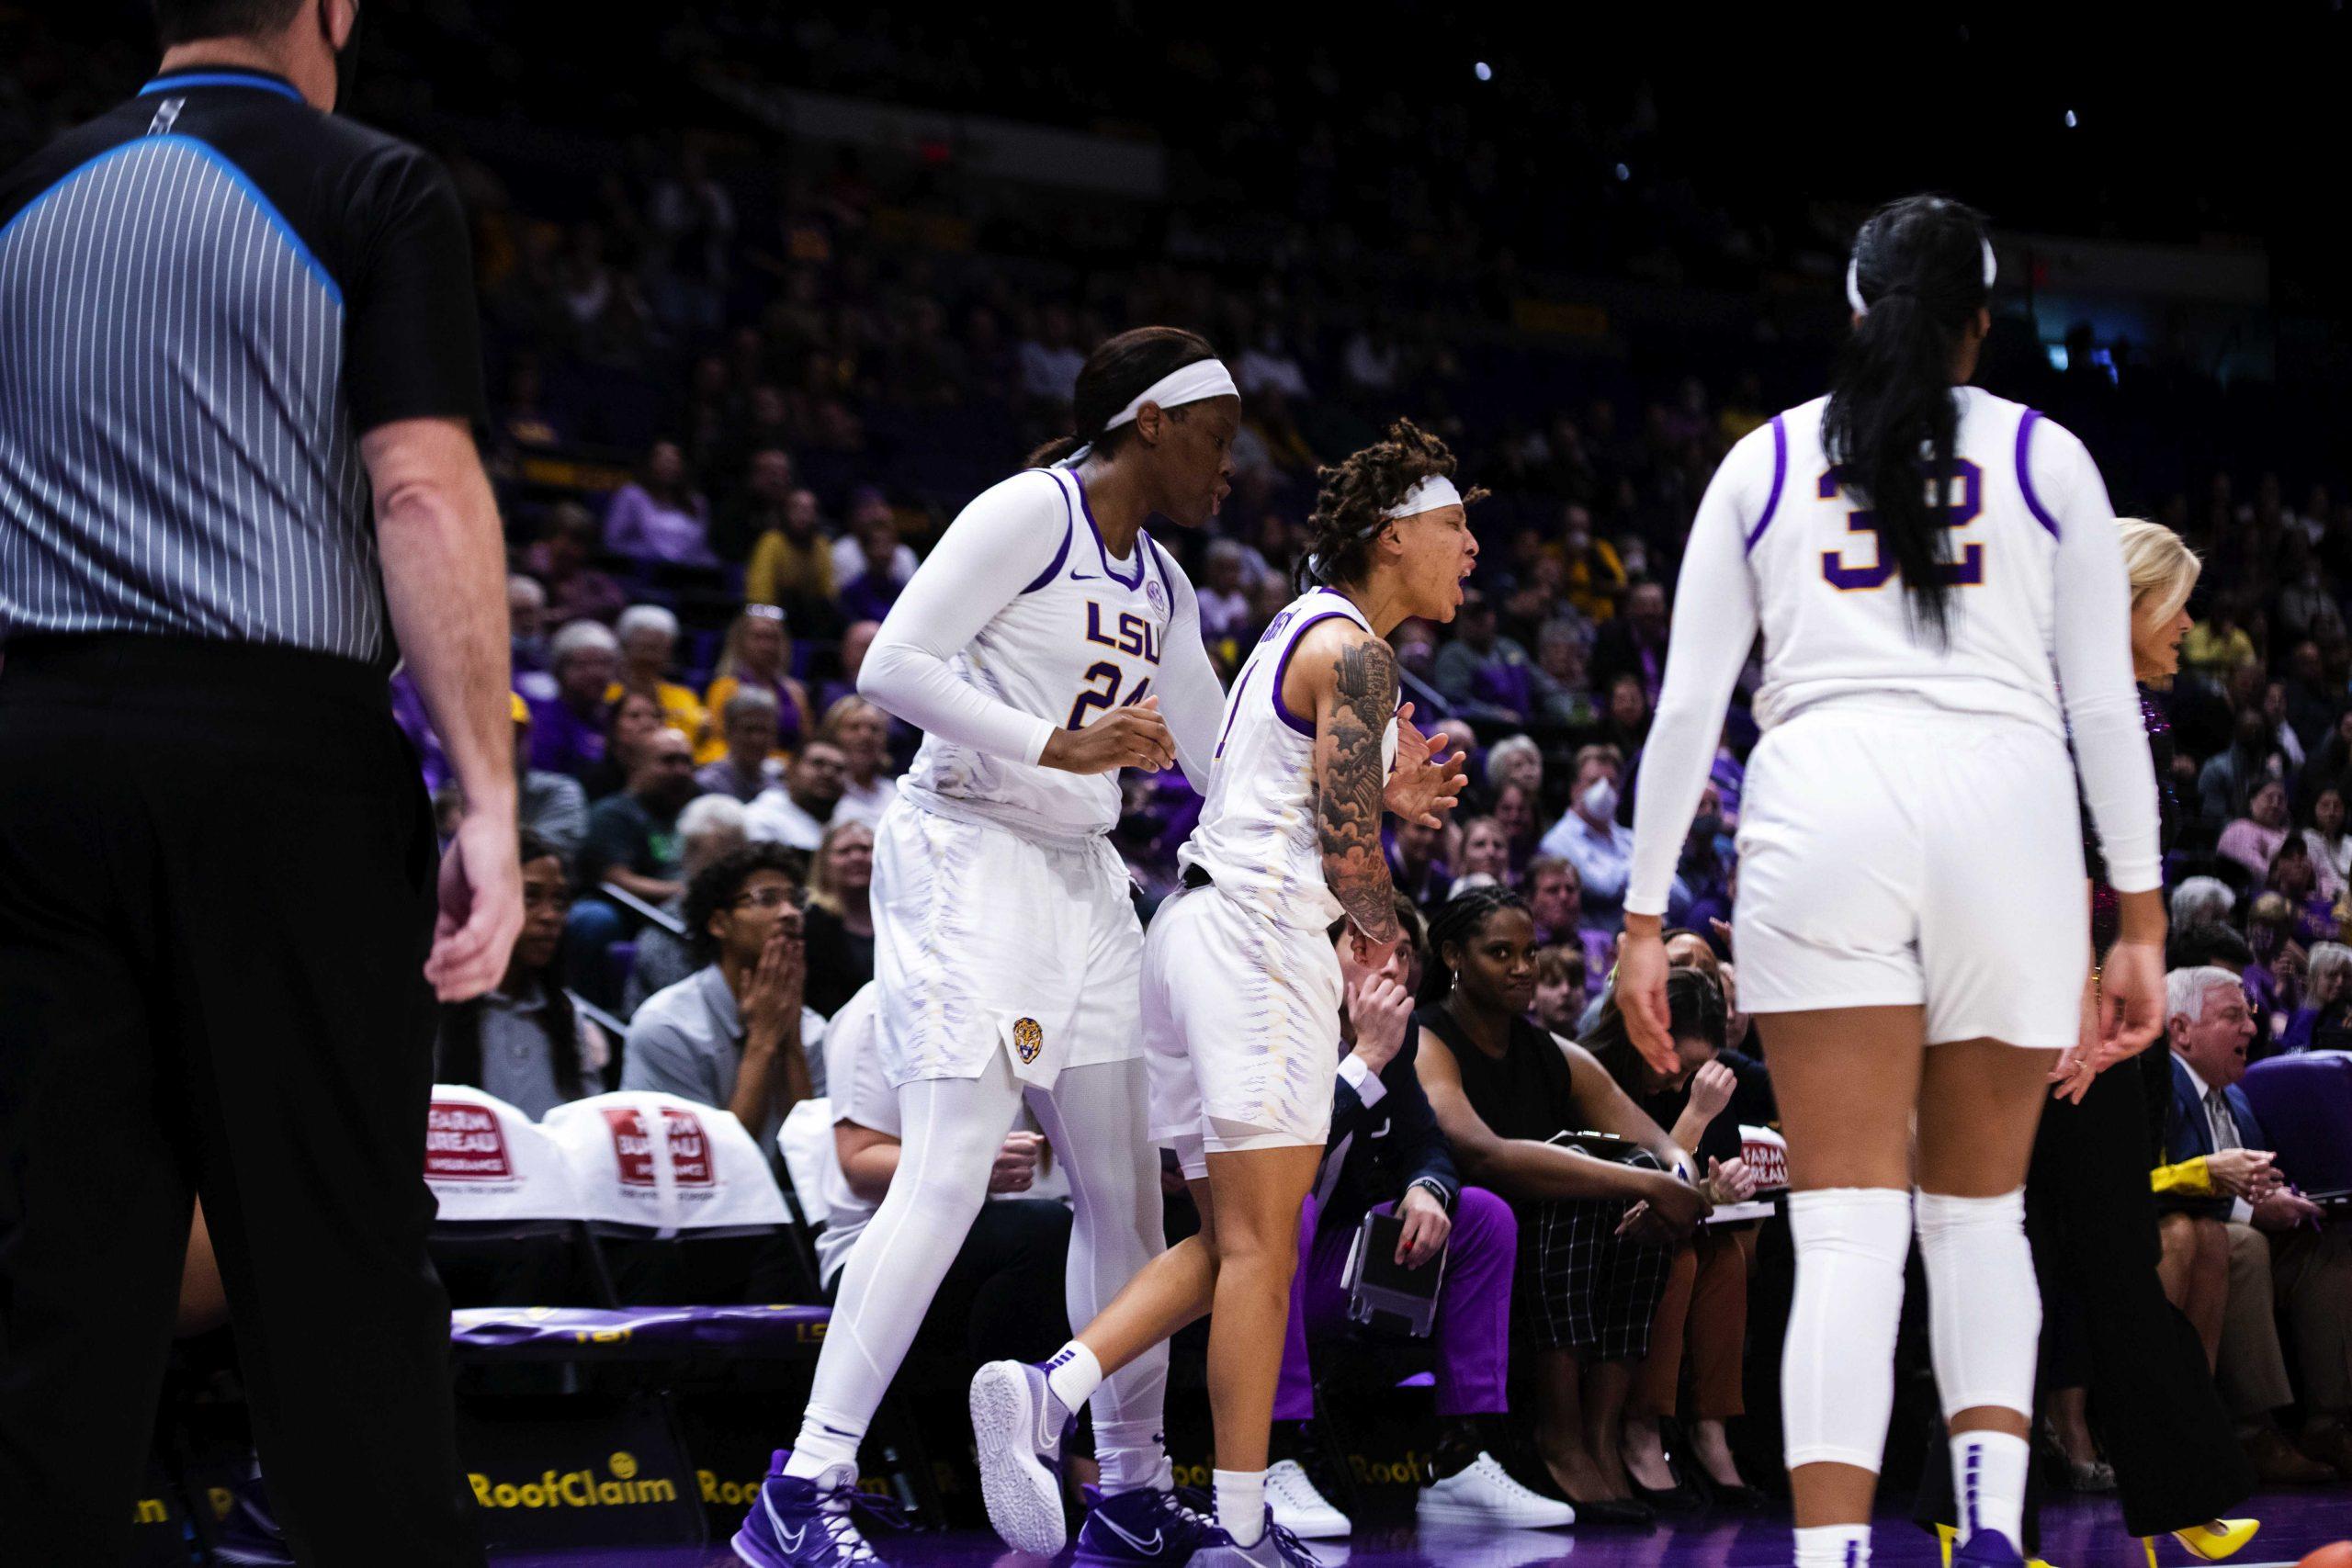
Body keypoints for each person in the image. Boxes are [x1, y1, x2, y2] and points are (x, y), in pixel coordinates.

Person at [0, 0, 525, 1559]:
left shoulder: (26, 187)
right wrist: (487, 798)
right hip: (274, 758)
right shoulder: (369, 183)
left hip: (34, 758)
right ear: (331, 5)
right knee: (335, 1257)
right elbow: (421, 488)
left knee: (55, 1271)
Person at [1620, 196, 2165, 1568]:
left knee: (1852, 1224)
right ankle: (1985, 1523)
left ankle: (1831, 1551)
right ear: (1984, 323)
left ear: (1856, 310)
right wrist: (2142, 914)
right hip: (2011, 810)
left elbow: (1688, 710)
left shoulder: (1764, 460)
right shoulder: (2051, 457)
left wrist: (1640, 914)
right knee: (1981, 1213)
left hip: (1826, 805)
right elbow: (2104, 708)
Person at [733, 328, 1245, 1568]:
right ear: (1152, 422)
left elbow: (1225, 749)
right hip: (969, 848)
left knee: (1126, 1193)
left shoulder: (1165, 585)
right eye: (1221, 439)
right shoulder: (1034, 511)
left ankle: (1127, 1488)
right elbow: (890, 661)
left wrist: (1367, 777)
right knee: (953, 1164)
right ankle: (801, 1486)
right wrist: (1053, 740)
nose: (1235, 471)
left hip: (1083, 878)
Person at [963, 418, 1474, 1568]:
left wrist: (1393, 797)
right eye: (1453, 525)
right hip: (1254, 940)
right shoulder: (1355, 653)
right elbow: (1343, 849)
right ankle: (1233, 1522)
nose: (1470, 548)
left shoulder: (1318, 639)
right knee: (1263, 1246)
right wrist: (1393, 947)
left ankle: (1056, 1395)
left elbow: (1329, 795)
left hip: (1192, 937)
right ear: (1393, 539)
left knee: (1239, 1238)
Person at [1930, 517, 2265, 1563]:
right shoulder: (2060, 710)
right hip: (2031, 1020)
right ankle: (1974, 1510)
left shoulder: (2125, 712)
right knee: (2019, 1260)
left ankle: (2178, 1491)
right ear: (2123, 605)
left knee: (2103, 1257)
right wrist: (2068, 1005)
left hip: (2087, 1021)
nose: (2189, 629)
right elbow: (2047, 867)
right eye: (2176, 605)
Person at [1262, 897, 1575, 1538]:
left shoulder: (1392, 1043)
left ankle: (1460, 1456)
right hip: (1243, 1260)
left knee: (1481, 1216)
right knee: (1285, 1208)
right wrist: (1365, 1060)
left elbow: (1427, 1142)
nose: (1393, 968)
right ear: (1326, 958)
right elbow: (1281, 1161)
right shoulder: (1283, 1027)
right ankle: (1275, 1454)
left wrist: (1428, 1186)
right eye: (1370, 949)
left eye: (1405, 954)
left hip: (1324, 1264)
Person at [1411, 888, 1719, 1524]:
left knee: (1642, 1206)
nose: (1523, 967)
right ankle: (1560, 1435)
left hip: (1550, 1241)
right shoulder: (1429, 1036)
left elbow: (1664, 1150)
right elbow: (1483, 1153)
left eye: (1530, 951)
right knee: (1586, 1199)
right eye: (1501, 952)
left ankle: (1603, 1439)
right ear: (1453, 956)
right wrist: (1645, 1184)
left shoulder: (1551, 1051)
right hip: (1462, 1237)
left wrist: (1671, 1184)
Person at [809, 983, 1073, 1369]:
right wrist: (966, 1166)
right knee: (1041, 1233)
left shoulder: (1032, 1000)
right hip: (883, 1248)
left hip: (1004, 1225)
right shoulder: (878, 1005)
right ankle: (1011, 1418)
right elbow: (860, 1163)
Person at [2154, 967, 2346, 1485]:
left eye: (2250, 1015)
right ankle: (2250, 1428)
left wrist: (2283, 1198)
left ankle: (2329, 1420)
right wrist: (2250, 1209)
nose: (2250, 1030)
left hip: (2237, 1237)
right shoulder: (2155, 1085)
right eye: (2232, 1016)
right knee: (2240, 1243)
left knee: (2332, 1248)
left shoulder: (2235, 1094)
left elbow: (2255, 1181)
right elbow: (2142, 1186)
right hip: (2172, 1245)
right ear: (2180, 1030)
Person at [1584, 975, 1766, 1511]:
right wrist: (1696, 1116)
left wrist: (1720, 1189)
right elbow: (1628, 1179)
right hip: (1591, 1231)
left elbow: (1692, 1185)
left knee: (1725, 1259)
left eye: (1696, 1070)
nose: (1685, 1081)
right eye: (1679, 1067)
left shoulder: (1703, 1084)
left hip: (1661, 1224)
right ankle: (1641, 1425)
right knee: (1679, 1257)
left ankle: (1710, 1430)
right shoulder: (1597, 1074)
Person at [623, 844, 820, 1151]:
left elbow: (816, 1161)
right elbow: (711, 1165)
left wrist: (791, 1041)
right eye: (767, 899)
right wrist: (764, 1040)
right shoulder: (665, 1026)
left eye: (796, 901)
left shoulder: (813, 1029)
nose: (790, 913)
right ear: (718, 924)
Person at [436, 832, 610, 1119]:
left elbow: (587, 1132)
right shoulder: (424, 1014)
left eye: (559, 901)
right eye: (530, 896)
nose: (550, 916)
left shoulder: (567, 1015)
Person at [570, 728, 700, 1001]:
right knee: (594, 919)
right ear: (636, 765)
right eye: (668, 761)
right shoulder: (613, 813)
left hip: (686, 910)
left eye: (687, 761)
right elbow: (616, 879)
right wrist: (683, 892)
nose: (681, 770)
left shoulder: (696, 810)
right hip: (634, 913)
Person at [621, 793, 752, 1016]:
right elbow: (679, 1011)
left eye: (737, 854)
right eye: (718, 857)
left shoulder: (756, 915)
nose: (731, 871)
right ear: (689, 852)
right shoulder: (665, 926)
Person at [702, 604, 812, 763]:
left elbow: (804, 740)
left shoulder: (795, 691)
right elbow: (718, 737)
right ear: (740, 642)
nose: (766, 646)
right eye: (758, 637)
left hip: (785, 768)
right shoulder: (725, 687)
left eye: (773, 638)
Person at [610, 603, 710, 753]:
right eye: (644, 648)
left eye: (658, 649)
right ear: (625, 648)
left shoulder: (684, 697)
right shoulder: (608, 695)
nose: (650, 657)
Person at [530, 620, 624, 779]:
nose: (595, 673)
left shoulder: (617, 718)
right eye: (583, 664)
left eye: (604, 664)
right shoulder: (543, 723)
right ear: (559, 671)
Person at [803, 819, 876, 1018]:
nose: (857, 857)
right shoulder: (811, 922)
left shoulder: (895, 912)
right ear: (824, 863)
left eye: (865, 849)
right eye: (844, 851)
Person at [604, 438, 717, 564]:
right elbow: (614, 541)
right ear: (649, 463)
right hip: (642, 571)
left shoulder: (697, 502)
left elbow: (702, 549)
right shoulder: (632, 495)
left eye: (673, 461)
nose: (668, 466)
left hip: (687, 575)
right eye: (662, 460)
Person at [513, 693, 591, 859]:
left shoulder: (560, 790)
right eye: (498, 734)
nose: (510, 744)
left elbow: (551, 852)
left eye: (517, 735)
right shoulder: (453, 793)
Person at [529, 501, 628, 629]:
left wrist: (568, 613)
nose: (572, 549)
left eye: (579, 542)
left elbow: (616, 602)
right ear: (549, 539)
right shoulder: (533, 571)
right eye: (566, 539)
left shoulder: (592, 578)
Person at [747, 738, 848, 851]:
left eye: (839, 769)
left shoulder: (850, 822)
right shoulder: (763, 818)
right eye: (818, 764)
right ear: (791, 769)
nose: (829, 773)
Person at [698, 688, 787, 804]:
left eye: (764, 730)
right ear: (728, 731)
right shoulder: (709, 784)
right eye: (749, 729)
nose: (757, 739)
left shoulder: (778, 784)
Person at [824, 695, 901, 827]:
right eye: (854, 727)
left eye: (874, 729)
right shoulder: (823, 787)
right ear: (833, 734)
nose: (866, 736)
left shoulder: (896, 792)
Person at [2219, 779, 2293, 885]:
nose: (2275, 804)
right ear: (2252, 801)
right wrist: (2287, 880)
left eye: (2281, 799)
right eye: (2269, 798)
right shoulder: (2240, 828)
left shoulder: (2288, 833)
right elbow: (2252, 867)